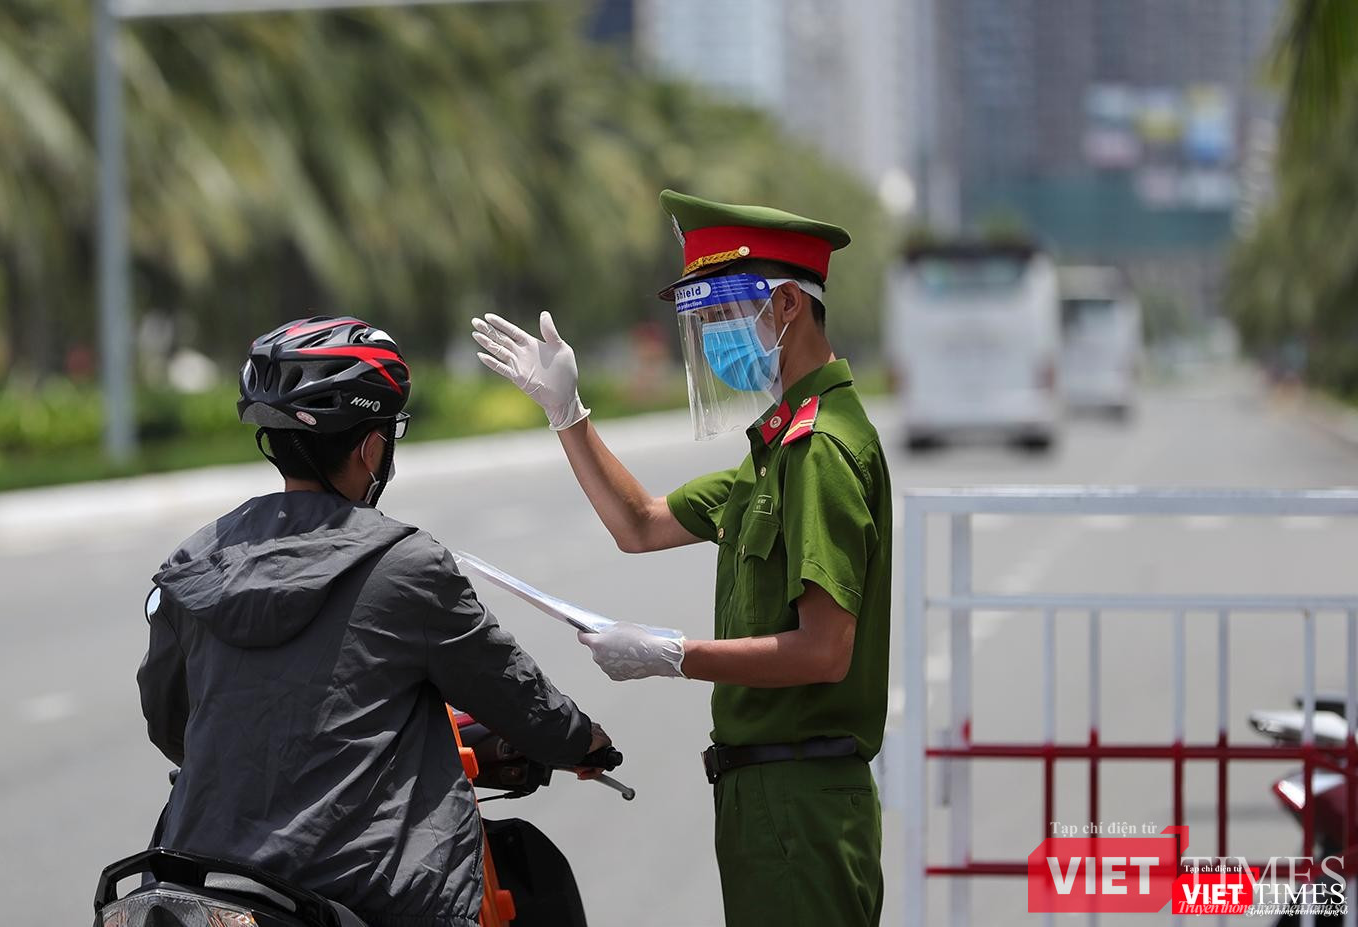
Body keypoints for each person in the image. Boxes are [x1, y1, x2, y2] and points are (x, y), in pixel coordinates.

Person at [470, 190, 892, 926]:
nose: (717, 338)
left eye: (725, 316)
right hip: (766, 797)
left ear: (787, 304)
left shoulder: (821, 450)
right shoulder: (777, 452)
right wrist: (569, 415)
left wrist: (674, 655)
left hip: (803, 801)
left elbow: (826, 650)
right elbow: (639, 524)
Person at [137, 316, 608, 927]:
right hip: (377, 893)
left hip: (210, 885)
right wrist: (583, 741)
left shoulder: (195, 559)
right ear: (368, 447)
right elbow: (512, 691)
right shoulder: (403, 562)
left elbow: (170, 720)